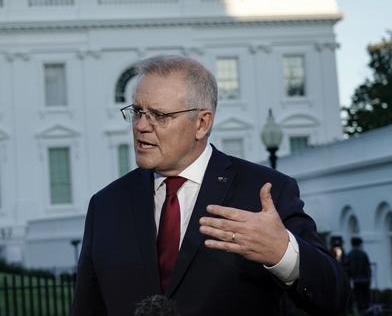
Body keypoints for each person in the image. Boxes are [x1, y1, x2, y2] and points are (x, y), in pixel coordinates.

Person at [72, 55, 349, 315]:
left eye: (159, 115)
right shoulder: (106, 205)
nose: (141, 126)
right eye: (138, 112)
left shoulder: (264, 191)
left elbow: (334, 295)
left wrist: (282, 253)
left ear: (202, 124)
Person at [345, 237, 372, 313]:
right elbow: (368, 268)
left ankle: (360, 311)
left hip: (355, 280)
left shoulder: (349, 255)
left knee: (358, 298)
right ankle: (366, 311)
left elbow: (347, 269)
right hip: (365, 279)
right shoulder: (364, 254)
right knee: (366, 298)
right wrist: (369, 278)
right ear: (359, 244)